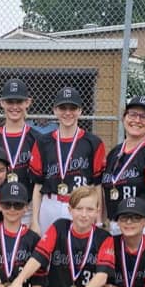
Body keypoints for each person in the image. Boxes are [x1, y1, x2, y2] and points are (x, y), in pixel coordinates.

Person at [29, 87, 106, 234]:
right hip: (50, 203)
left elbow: (97, 185)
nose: (68, 113)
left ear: (80, 111)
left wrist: (99, 218)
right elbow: (38, 186)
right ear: (55, 111)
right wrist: (34, 220)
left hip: (81, 205)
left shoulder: (93, 142)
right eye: (63, 108)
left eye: (73, 108)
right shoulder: (43, 142)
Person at [102, 96, 145, 245]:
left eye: (144, 117)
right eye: (132, 114)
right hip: (117, 224)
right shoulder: (114, 153)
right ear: (124, 117)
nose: (137, 120)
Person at [0, 79, 40, 225]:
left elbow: (41, 180)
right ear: (1, 103)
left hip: (27, 207)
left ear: (28, 102)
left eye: (19, 102)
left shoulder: (38, 139)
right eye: (10, 102)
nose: (14, 107)